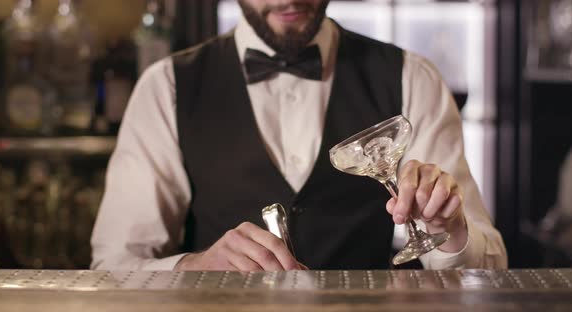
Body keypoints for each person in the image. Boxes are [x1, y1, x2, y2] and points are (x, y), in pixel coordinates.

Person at [90, 0, 507, 271]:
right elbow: (114, 265)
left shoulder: (411, 78)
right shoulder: (167, 87)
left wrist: (450, 228)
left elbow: (488, 269)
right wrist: (194, 268)